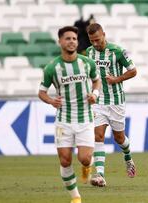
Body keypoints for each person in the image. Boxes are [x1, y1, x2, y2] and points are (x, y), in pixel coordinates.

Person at [38, 26, 101, 203]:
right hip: (63, 121)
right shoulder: (52, 68)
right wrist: (51, 101)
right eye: (68, 38)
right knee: (65, 161)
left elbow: (97, 81)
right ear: (60, 41)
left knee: (85, 158)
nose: (72, 41)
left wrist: (95, 95)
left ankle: (87, 169)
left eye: (74, 38)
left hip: (85, 119)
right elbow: (41, 92)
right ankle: (76, 197)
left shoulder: (87, 63)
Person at [85, 23, 137, 187]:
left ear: (104, 35)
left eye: (98, 40)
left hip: (116, 102)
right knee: (98, 136)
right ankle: (100, 175)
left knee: (119, 138)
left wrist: (117, 79)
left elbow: (133, 70)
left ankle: (127, 156)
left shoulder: (117, 52)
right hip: (98, 102)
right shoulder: (89, 52)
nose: (95, 44)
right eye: (92, 40)